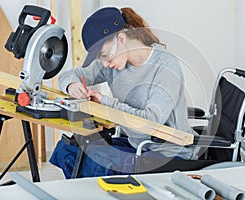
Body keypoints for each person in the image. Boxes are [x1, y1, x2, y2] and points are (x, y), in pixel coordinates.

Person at [50, 7, 200, 178]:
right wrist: (72, 85)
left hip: (168, 151)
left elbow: (149, 124)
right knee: (68, 150)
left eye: (104, 55)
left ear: (121, 38)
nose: (104, 64)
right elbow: (70, 75)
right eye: (100, 59)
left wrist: (106, 102)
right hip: (136, 144)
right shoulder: (114, 63)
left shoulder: (166, 67)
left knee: (97, 163)